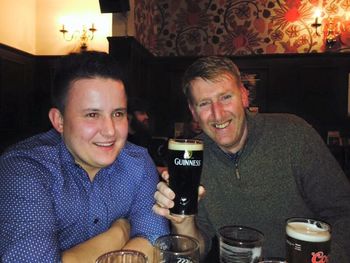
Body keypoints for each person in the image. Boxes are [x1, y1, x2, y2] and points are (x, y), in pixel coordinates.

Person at [153, 56, 350, 262]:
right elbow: (199, 249)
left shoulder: (294, 134)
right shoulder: (192, 159)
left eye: (226, 97)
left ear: (244, 96)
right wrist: (182, 221)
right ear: (193, 112)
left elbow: (344, 213)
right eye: (204, 103)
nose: (218, 114)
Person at [0, 51, 169, 262]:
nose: (110, 131)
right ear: (59, 120)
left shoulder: (138, 161)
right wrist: (120, 233)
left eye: (118, 114)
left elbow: (155, 240)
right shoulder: (24, 169)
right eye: (92, 115)